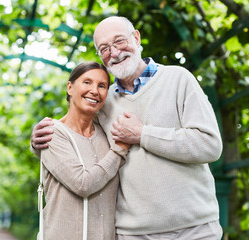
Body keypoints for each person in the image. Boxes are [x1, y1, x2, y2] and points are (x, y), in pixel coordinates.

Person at [31, 16, 223, 240]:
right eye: (104, 48)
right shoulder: (103, 101)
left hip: (195, 230)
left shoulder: (179, 79)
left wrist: (142, 134)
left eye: (119, 41)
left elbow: (209, 145)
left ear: (136, 37)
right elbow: (76, 135)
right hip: (133, 234)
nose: (113, 52)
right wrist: (40, 140)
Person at [39, 61, 129, 240]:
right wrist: (120, 149)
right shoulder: (52, 132)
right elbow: (83, 184)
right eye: (87, 82)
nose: (94, 90)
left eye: (102, 86)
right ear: (70, 87)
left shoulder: (107, 134)